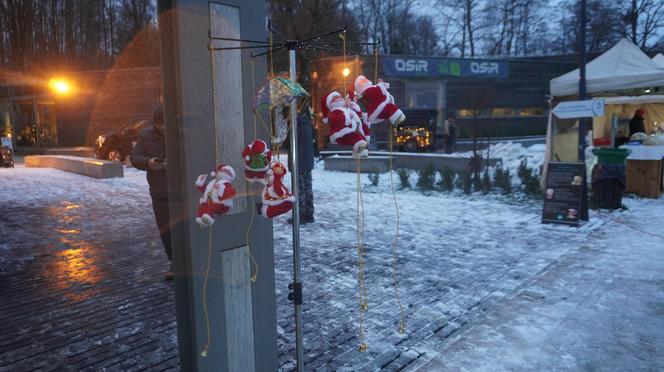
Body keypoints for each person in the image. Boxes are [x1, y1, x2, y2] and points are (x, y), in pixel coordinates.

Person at [131, 103, 173, 280]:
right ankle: (175, 262)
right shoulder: (146, 135)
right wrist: (149, 162)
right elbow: (135, 157)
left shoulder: (180, 133)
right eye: (158, 123)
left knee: (185, 227)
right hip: (159, 192)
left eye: (165, 123)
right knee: (165, 229)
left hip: (181, 192)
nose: (162, 127)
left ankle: (189, 261)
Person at [288, 105, 316, 224]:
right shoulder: (307, 124)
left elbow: (289, 144)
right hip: (307, 161)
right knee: (307, 188)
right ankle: (309, 214)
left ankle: (300, 216)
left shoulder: (297, 126)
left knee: (299, 189)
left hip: (298, 162)